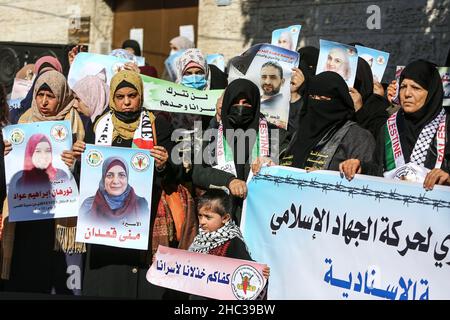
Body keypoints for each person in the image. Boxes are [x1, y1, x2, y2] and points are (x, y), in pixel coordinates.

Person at [74, 70, 194, 299]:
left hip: (143, 219)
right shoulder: (99, 125)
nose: (127, 102)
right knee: (110, 282)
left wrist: (163, 163)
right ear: (112, 97)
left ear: (140, 95)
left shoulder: (158, 124)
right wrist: (79, 158)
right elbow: (88, 174)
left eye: (132, 95)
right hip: (105, 225)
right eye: (120, 97)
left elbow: (177, 171)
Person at [2, 70, 84, 294]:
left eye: (51, 95)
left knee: (60, 280)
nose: (44, 101)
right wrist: (7, 152)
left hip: (61, 217)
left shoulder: (76, 123)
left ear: (62, 95)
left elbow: (91, 175)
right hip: (29, 216)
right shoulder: (23, 120)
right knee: (29, 277)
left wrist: (78, 160)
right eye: (40, 95)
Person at [340, 59, 450, 190]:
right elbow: (380, 171)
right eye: (403, 87)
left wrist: (447, 177)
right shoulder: (390, 126)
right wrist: (361, 166)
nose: (407, 94)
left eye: (416, 88)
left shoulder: (446, 126)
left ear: (431, 92)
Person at [192, 79, 287, 224]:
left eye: (246, 103)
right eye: (236, 102)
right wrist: (229, 180)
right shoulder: (213, 133)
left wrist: (271, 165)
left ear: (255, 104)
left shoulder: (274, 134)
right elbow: (199, 173)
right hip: (222, 218)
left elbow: (287, 171)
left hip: (260, 217)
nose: (241, 108)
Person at [281, 71, 375, 171]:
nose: (315, 104)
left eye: (322, 99)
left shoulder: (357, 137)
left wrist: (325, 177)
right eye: (312, 97)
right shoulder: (300, 133)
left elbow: (369, 177)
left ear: (339, 102)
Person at [188, 189, 270, 299]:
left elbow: (247, 271)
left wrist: (261, 273)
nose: (202, 221)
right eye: (200, 216)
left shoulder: (233, 242)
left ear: (225, 218)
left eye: (208, 217)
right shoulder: (200, 239)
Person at [79, 157, 148, 223]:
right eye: (109, 175)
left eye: (121, 175)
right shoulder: (88, 205)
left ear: (127, 178)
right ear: (103, 179)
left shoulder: (141, 203)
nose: (115, 181)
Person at [260, 61, 287, 128]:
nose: (267, 82)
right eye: (264, 77)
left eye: (273, 77)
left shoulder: (287, 106)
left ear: (282, 81)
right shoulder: (253, 101)